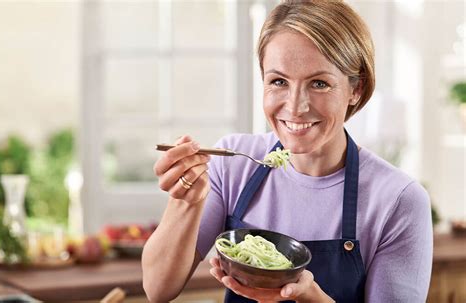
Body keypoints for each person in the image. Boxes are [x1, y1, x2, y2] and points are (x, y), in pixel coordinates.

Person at [142, 0, 433, 302]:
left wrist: (310, 298)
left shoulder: (399, 201)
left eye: (319, 83)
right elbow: (158, 288)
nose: (295, 107)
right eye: (278, 81)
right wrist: (185, 202)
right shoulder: (232, 163)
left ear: (355, 89)